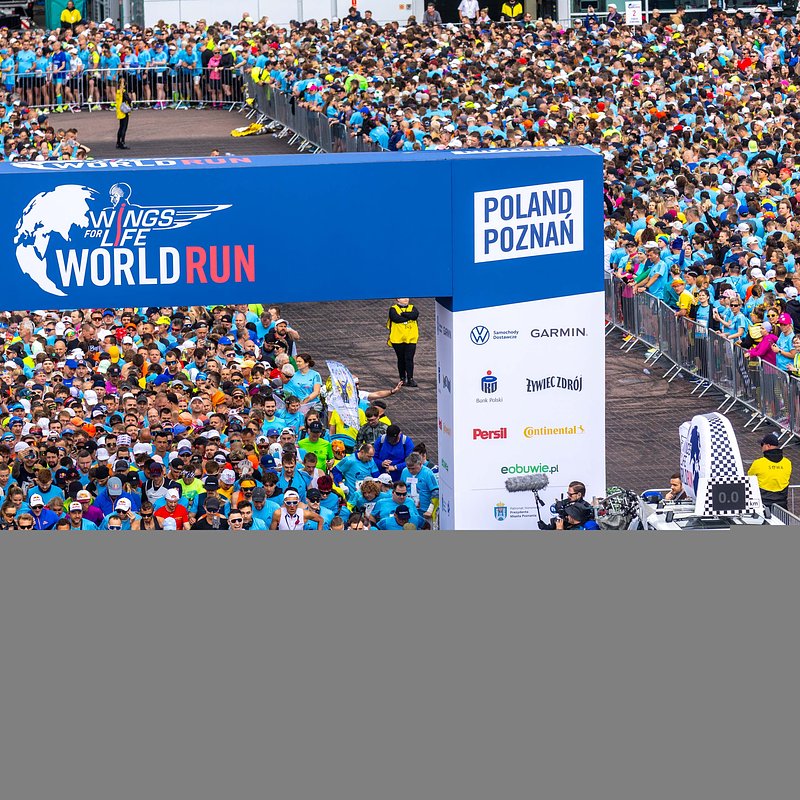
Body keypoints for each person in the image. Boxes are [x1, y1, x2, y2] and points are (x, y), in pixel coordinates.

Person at [748, 433, 792, 510]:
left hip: (763, 505)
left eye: (762, 444)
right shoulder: (787, 463)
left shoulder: (758, 463)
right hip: (782, 505)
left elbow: (750, 478)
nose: (761, 447)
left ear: (768, 446)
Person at [386, 298, 419, 387]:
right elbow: (396, 318)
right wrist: (408, 317)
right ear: (397, 299)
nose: (406, 299)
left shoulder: (412, 308)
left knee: (409, 358)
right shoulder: (393, 309)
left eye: (407, 297)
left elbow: (414, 315)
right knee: (401, 359)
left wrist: (403, 314)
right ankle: (402, 378)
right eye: (403, 297)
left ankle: (410, 378)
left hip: (411, 338)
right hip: (397, 339)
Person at [115, 76, 131, 150]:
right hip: (124, 112)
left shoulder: (118, 92)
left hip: (120, 111)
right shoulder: (122, 92)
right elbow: (128, 99)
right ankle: (122, 142)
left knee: (121, 127)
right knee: (124, 128)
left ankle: (118, 142)